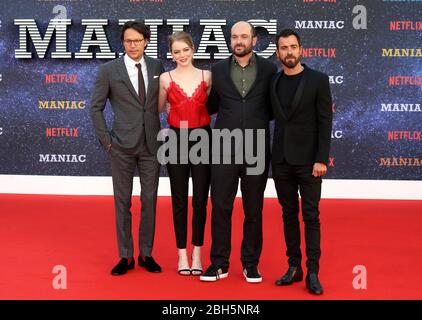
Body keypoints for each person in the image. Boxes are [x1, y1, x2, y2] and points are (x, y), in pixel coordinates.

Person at [200, 21, 277, 283]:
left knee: (253, 209)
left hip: (256, 147)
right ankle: (219, 263)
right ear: (230, 40)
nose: (239, 40)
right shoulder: (218, 69)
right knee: (221, 206)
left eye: (244, 36)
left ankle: (250, 263)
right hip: (223, 147)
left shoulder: (269, 69)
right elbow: (210, 106)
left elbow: (275, 106)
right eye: (234, 36)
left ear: (255, 40)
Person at [90, 20, 164, 276]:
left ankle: (146, 253)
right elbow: (95, 107)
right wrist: (106, 141)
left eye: (137, 40)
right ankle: (126, 255)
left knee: (149, 201)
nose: (133, 45)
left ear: (146, 41)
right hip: (120, 145)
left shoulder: (157, 66)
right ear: (122, 43)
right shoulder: (108, 70)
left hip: (151, 145)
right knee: (122, 202)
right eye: (128, 40)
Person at [270, 29, 333, 295]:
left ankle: (313, 272)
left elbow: (324, 121)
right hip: (282, 160)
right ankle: (294, 267)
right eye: (284, 48)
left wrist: (321, 158)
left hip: (309, 162)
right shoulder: (273, 82)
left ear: (301, 50)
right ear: (278, 53)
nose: (289, 52)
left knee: (311, 216)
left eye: (293, 47)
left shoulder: (318, 80)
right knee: (287, 215)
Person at [158, 31, 212, 276]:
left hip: (203, 138)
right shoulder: (165, 79)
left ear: (193, 49)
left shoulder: (207, 76)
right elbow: (159, 107)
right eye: (176, 52)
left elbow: (209, 105)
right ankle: (182, 254)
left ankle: (197, 253)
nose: (182, 55)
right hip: (175, 139)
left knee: (200, 199)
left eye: (185, 50)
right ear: (171, 55)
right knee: (179, 199)